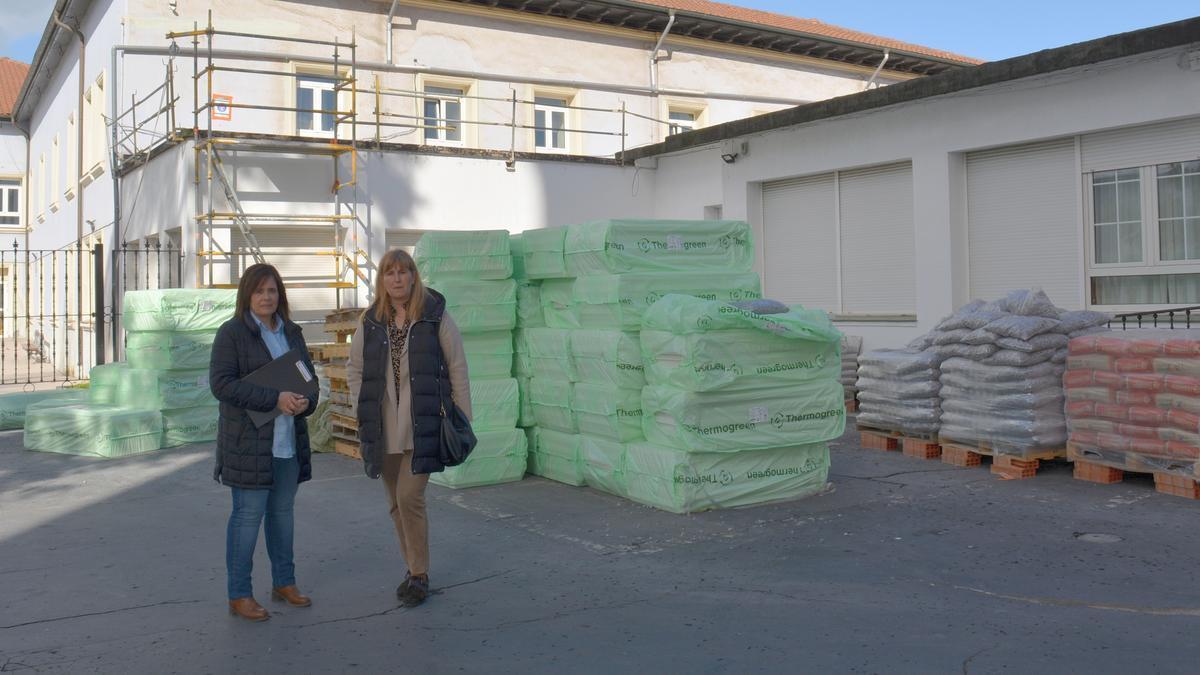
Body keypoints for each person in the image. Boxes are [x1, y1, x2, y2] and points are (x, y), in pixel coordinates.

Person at [347, 248, 471, 608]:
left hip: (424, 422)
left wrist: (463, 416)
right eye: (390, 273)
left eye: (403, 272)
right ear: (382, 280)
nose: (397, 279)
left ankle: (419, 573)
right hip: (383, 424)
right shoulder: (369, 321)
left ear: (414, 276)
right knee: (394, 503)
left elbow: (458, 366)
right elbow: (355, 369)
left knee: (409, 496)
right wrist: (361, 407)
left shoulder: (435, 317)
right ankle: (411, 567)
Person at [210, 263, 319, 622]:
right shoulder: (232, 334)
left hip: (287, 443)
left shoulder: (291, 332)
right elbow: (222, 384)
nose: (267, 297)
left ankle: (283, 583)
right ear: (247, 295)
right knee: (247, 518)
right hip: (249, 443)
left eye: (272, 291)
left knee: (282, 516)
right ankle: (238, 594)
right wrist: (274, 399)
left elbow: (309, 378)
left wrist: (305, 401)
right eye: (259, 291)